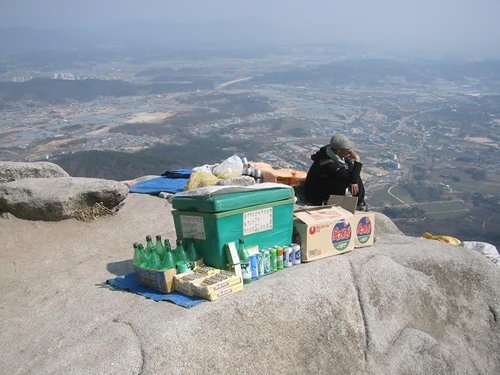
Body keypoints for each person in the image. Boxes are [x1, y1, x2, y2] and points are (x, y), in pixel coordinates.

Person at [304, 133, 368, 211]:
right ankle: (353, 203)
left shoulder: (338, 155)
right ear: (338, 151)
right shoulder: (327, 163)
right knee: (346, 178)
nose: (350, 152)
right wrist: (357, 160)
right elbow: (350, 178)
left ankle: (359, 201)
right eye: (347, 151)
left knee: (354, 176)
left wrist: (353, 181)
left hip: (328, 187)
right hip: (318, 196)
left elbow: (353, 174)